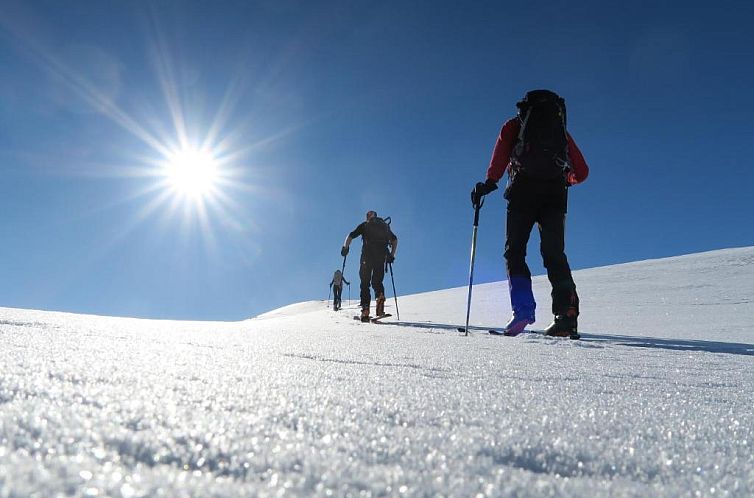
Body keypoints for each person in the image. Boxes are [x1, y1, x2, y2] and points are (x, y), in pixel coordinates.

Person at [471, 89, 589, 338]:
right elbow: (583, 171)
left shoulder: (514, 125)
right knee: (554, 254)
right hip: (555, 195)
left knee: (514, 251)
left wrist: (489, 183)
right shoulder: (561, 133)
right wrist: (568, 178)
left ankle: (523, 309)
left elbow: (500, 156)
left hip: (521, 192)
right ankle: (566, 314)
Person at [341, 211, 398, 322]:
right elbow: (395, 240)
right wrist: (391, 255)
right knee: (377, 282)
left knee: (365, 282)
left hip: (366, 257)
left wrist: (345, 248)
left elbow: (350, 235)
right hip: (381, 257)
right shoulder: (384, 226)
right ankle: (379, 297)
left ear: (368, 217)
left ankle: (366, 309)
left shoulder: (365, 225)